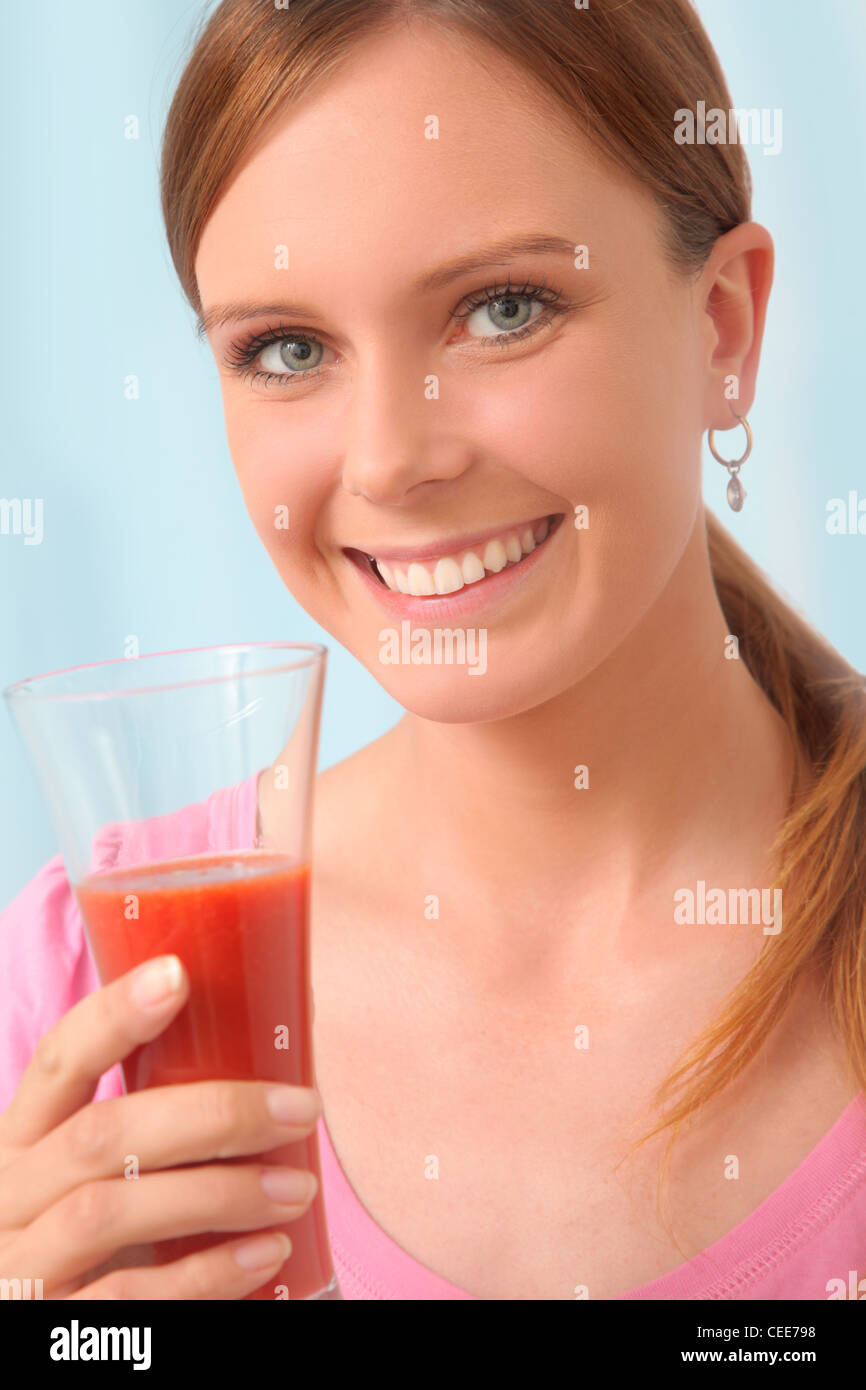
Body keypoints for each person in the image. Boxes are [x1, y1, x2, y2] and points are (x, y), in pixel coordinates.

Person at [2, 0, 864, 1301]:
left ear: (723, 329)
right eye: (286, 349)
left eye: (502, 309)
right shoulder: (82, 989)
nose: (391, 463)